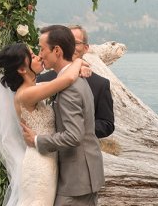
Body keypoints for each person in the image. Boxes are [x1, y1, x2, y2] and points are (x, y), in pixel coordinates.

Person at [0, 42, 90, 206]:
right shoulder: (26, 94)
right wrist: (79, 61)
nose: (38, 57)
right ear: (22, 70)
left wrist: (81, 66)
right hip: (39, 166)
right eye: (32, 56)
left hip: (48, 159)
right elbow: (68, 78)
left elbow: (65, 77)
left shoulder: (35, 88)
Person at [22, 25, 105, 206]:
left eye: (42, 49)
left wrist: (37, 140)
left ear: (57, 51)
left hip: (76, 179)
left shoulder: (70, 88)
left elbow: (73, 135)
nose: (40, 54)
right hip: (80, 174)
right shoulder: (73, 79)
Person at [37, 25, 115, 138]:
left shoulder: (100, 84)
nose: (70, 46)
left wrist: (76, 128)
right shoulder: (43, 79)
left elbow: (107, 124)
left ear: (86, 48)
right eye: (66, 42)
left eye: (75, 43)